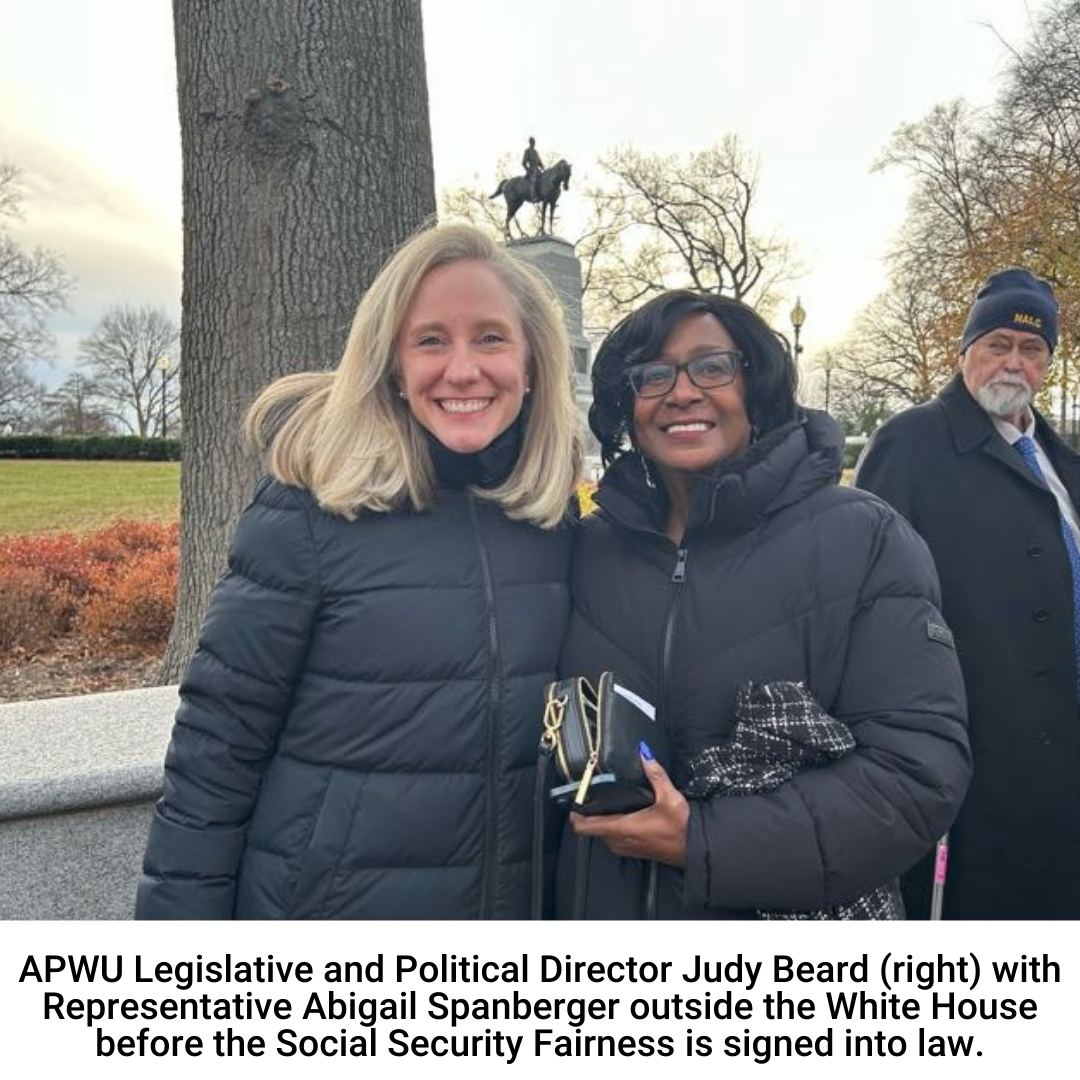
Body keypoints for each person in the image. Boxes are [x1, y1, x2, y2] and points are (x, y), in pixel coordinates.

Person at [136, 222, 584, 920]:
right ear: (393, 367)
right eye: (431, 340)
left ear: (531, 366)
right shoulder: (310, 512)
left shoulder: (555, 521)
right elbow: (216, 752)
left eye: (491, 338)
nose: (462, 369)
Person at [556, 289, 970, 919]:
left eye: (712, 366)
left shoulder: (861, 537)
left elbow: (917, 773)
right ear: (626, 403)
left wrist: (704, 843)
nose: (683, 391)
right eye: (653, 374)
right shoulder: (585, 550)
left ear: (757, 385)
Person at [855, 268, 1080, 919]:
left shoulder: (1063, 465)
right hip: (971, 774)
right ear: (964, 354)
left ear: (1048, 366)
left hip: (1061, 769)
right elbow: (867, 602)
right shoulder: (912, 443)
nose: (1013, 361)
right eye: (997, 343)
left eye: (1032, 349)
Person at [522, 136, 544, 202]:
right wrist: (528, 170)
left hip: (537, 170)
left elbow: (539, 161)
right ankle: (533, 196)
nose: (533, 143)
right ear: (530, 143)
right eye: (532, 142)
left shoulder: (536, 152)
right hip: (531, 170)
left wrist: (542, 166)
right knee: (533, 181)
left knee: (544, 179)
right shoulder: (527, 151)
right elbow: (523, 162)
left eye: (534, 142)